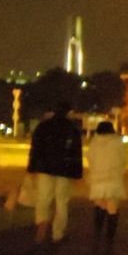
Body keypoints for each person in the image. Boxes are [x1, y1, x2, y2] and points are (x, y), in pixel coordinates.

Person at [27, 101, 84, 244]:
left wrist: (32, 168)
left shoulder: (43, 126)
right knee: (61, 202)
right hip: (64, 170)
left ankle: (42, 224)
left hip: (44, 168)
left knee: (43, 199)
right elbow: (76, 153)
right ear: (68, 112)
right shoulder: (72, 128)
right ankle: (57, 234)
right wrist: (77, 173)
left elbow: (35, 149)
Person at [87, 120, 128, 250]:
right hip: (113, 180)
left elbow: (90, 159)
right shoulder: (118, 143)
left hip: (97, 180)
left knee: (99, 206)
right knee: (112, 209)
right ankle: (109, 237)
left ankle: (98, 233)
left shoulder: (94, 143)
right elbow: (125, 161)